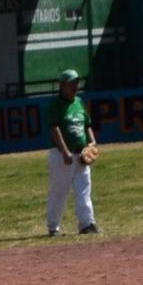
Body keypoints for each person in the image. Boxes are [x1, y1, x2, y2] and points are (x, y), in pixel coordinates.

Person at [45, 68, 99, 236]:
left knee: (84, 189)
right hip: (62, 155)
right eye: (71, 83)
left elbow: (87, 125)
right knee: (59, 191)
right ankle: (53, 227)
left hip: (81, 154)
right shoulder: (55, 104)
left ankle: (87, 224)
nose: (75, 86)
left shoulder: (79, 102)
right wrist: (64, 151)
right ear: (62, 85)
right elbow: (54, 128)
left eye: (76, 82)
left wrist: (92, 142)